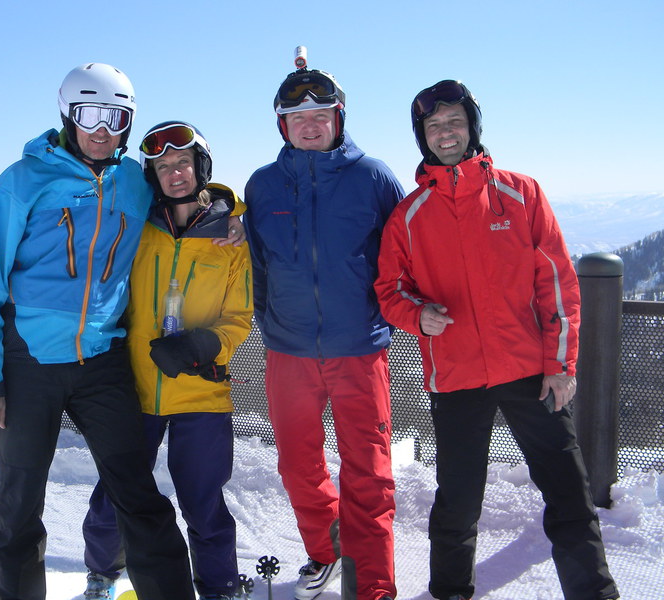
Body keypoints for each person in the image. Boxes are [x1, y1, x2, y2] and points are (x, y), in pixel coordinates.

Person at [0, 63, 197, 600]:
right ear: (68, 115)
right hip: (28, 364)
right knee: (19, 500)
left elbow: (186, 199)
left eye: (116, 117)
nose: (102, 129)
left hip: (102, 360)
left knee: (138, 492)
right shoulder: (23, 180)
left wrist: (222, 211)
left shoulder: (134, 182)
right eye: (89, 115)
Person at [374, 80, 620, 600]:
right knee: (458, 500)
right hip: (456, 376)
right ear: (422, 136)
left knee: (569, 494)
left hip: (532, 372)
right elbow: (389, 290)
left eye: (454, 122)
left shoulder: (520, 193)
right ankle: (450, 592)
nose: (445, 133)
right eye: (434, 126)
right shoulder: (409, 215)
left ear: (473, 127)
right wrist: (418, 315)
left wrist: (561, 365)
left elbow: (557, 283)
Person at [243, 49, 405, 600]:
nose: (309, 126)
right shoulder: (263, 185)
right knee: (297, 465)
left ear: (339, 118)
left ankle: (373, 587)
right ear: (282, 126)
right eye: (297, 118)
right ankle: (329, 550)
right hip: (288, 351)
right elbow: (257, 264)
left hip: (358, 350)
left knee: (368, 472)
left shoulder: (372, 177)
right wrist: (271, 322)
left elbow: (404, 252)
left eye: (320, 116)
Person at [80, 121, 253, 600]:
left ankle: (218, 587)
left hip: (201, 388)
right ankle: (102, 574)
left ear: (201, 167)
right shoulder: (137, 227)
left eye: (182, 163)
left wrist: (202, 345)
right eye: (162, 167)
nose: (174, 173)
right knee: (115, 494)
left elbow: (239, 316)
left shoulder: (231, 238)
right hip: (135, 387)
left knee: (202, 499)